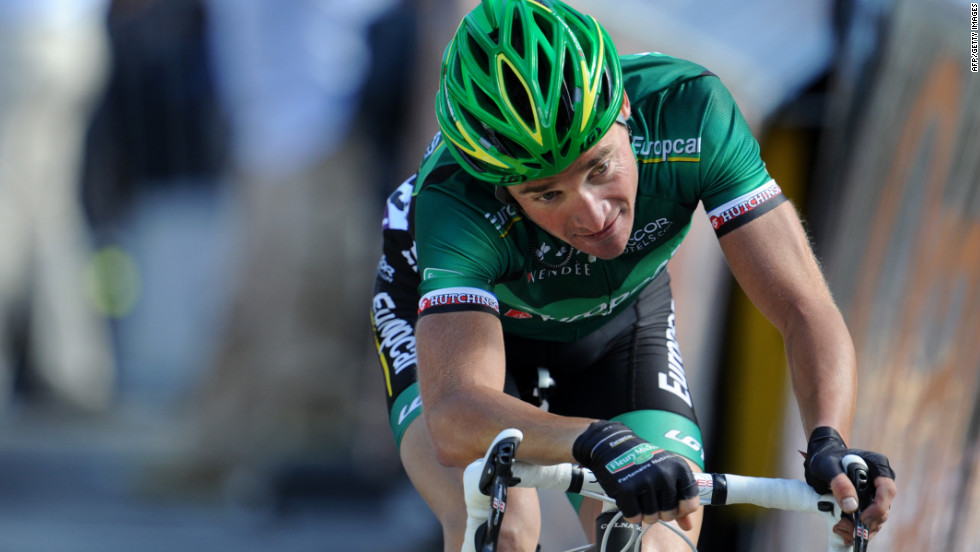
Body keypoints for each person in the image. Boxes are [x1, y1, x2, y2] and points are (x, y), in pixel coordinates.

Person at [371, 1, 897, 550]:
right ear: (500, 187)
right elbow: (456, 413)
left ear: (624, 108)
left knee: (659, 540)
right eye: (547, 194)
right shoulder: (455, 200)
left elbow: (802, 305)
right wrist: (595, 440)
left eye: (600, 167)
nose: (595, 215)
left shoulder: (689, 111)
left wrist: (829, 440)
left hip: (616, 329)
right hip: (477, 342)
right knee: (502, 529)